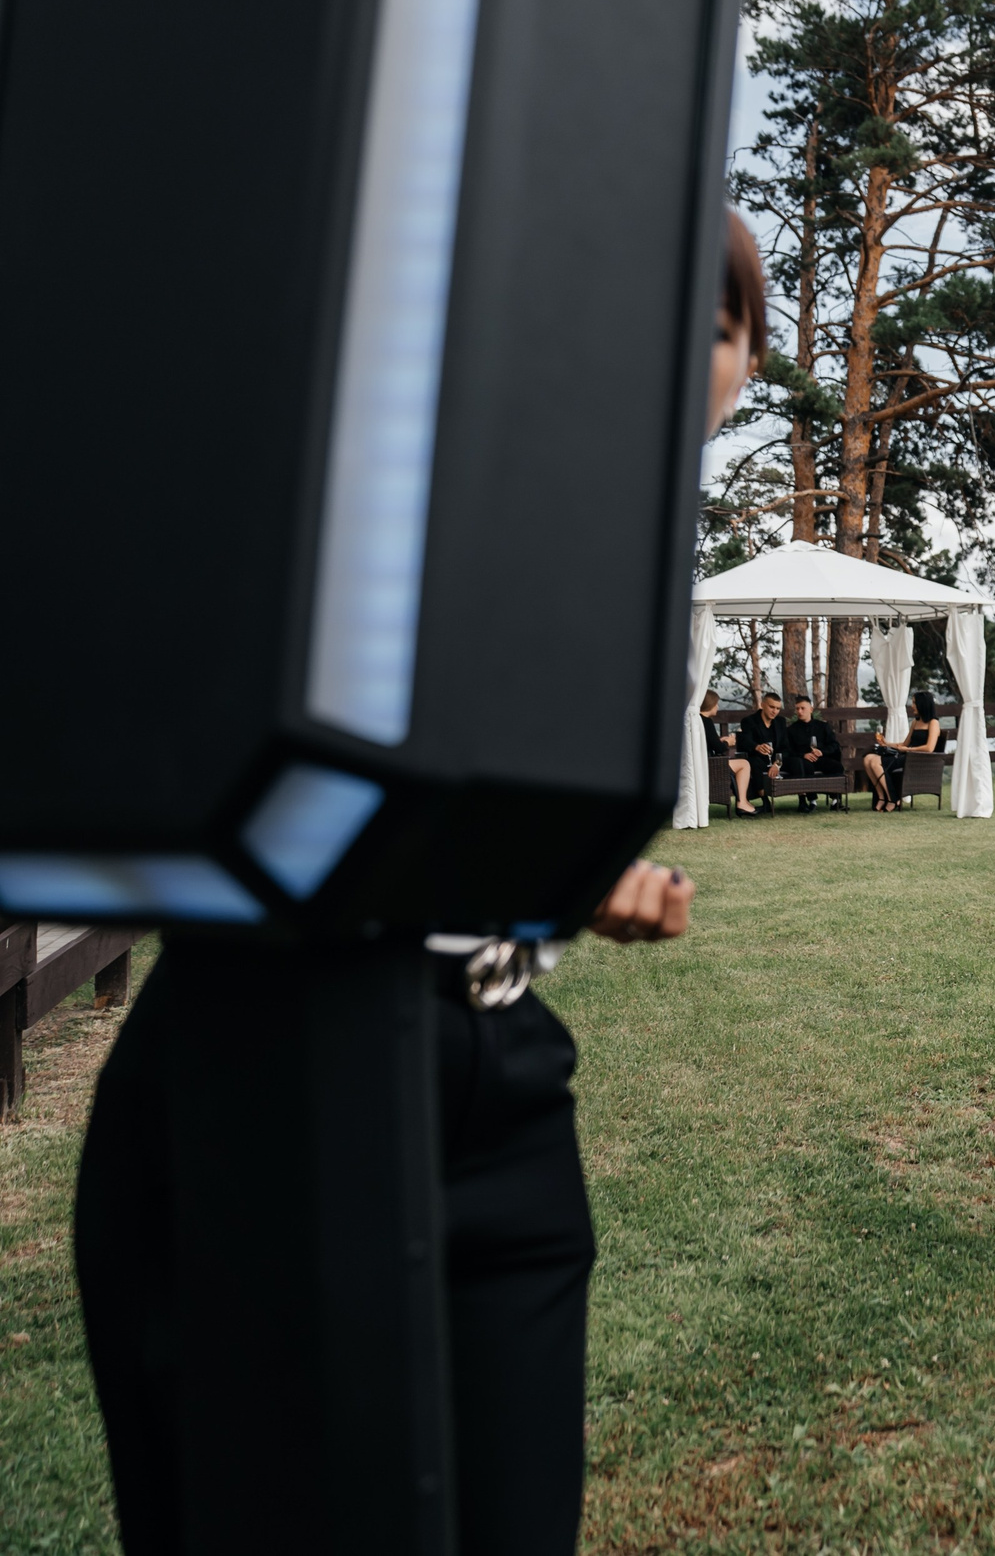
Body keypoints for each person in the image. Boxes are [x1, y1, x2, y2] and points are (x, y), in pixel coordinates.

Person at [77, 205, 766, 1556]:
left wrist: (572, 883)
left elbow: (487, 817)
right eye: (669, 302)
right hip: (278, 1057)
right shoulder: (378, 469)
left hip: (504, 1073)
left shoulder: (646, 572)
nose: (704, 347)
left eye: (731, 322)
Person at [862, 693, 944, 812]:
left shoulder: (933, 723)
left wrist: (908, 750)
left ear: (923, 704)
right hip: (906, 755)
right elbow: (905, 744)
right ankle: (881, 797)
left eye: (915, 703)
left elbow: (929, 748)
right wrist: (887, 743)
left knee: (875, 762)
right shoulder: (915, 722)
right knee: (867, 759)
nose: (912, 706)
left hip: (917, 759)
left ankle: (892, 799)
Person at [781, 694, 846, 811]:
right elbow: (788, 750)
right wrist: (803, 755)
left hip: (821, 758)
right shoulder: (791, 730)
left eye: (803, 708)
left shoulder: (823, 726)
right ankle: (812, 801)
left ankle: (836, 800)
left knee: (837, 766)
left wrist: (822, 752)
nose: (799, 711)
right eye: (797, 709)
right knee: (805, 767)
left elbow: (834, 745)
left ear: (811, 709)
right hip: (803, 760)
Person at [701, 689, 759, 815]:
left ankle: (744, 802)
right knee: (744, 764)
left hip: (703, 764)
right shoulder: (706, 721)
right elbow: (720, 749)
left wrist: (720, 740)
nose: (717, 706)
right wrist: (729, 742)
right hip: (710, 766)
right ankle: (742, 803)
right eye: (716, 703)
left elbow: (708, 742)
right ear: (709, 704)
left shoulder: (697, 721)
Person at [742, 690, 788, 802]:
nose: (775, 711)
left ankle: (803, 800)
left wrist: (777, 763)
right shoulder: (749, 721)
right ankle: (765, 800)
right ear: (762, 705)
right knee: (755, 762)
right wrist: (756, 747)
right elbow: (745, 741)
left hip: (777, 759)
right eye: (772, 707)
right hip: (758, 758)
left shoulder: (781, 722)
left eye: (778, 708)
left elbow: (785, 746)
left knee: (797, 762)